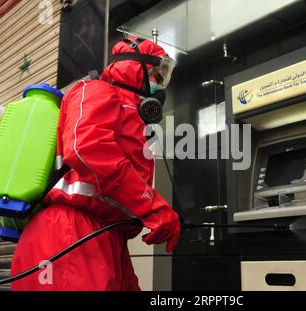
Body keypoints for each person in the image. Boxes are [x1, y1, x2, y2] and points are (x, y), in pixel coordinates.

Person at [10, 37, 180, 291]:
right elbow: (87, 149)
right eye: (157, 75)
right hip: (71, 234)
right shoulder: (96, 90)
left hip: (106, 238)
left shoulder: (129, 111)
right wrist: (152, 207)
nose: (159, 85)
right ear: (137, 68)